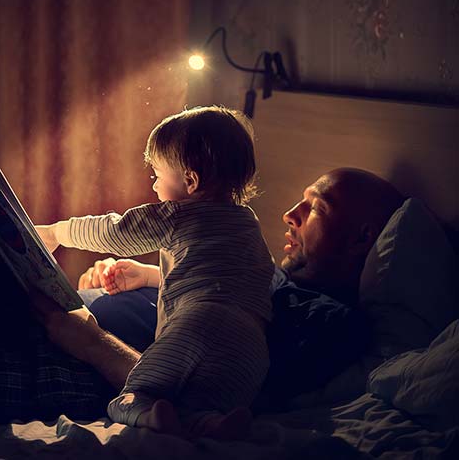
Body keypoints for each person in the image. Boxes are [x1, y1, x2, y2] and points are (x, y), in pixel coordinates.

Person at [77, 167, 405, 409]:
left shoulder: (329, 323)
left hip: (78, 362)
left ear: (361, 238)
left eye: (317, 207)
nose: (290, 215)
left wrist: (88, 337)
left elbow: (209, 391)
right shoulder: (261, 276)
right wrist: (145, 277)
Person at [35, 106, 274, 438]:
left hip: (198, 323)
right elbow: (221, 275)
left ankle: (146, 412)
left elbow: (113, 232)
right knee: (200, 405)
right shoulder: (248, 224)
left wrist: (54, 233)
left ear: (190, 181)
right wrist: (149, 275)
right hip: (250, 345)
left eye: (157, 175)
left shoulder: (179, 215)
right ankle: (211, 424)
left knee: (132, 395)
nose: (154, 185)